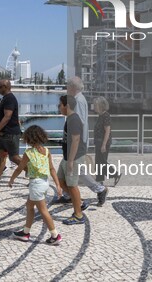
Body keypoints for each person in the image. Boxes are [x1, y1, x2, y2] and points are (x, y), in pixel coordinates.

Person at [9, 125, 63, 245]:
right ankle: (25, 232)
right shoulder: (47, 151)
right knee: (29, 205)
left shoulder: (28, 153)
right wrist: (58, 185)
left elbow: (19, 169)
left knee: (43, 210)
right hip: (44, 182)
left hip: (36, 184)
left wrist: (12, 179)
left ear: (28, 138)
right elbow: (52, 169)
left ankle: (55, 235)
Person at [65, 77, 108, 206]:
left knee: (77, 171)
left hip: (78, 143)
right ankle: (67, 194)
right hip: (77, 142)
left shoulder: (78, 101)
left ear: (73, 87)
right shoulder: (78, 99)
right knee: (68, 170)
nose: (66, 88)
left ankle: (100, 189)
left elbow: (79, 123)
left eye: (68, 86)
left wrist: (75, 142)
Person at [57, 95, 88, 224]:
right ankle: (78, 201)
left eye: (60, 105)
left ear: (67, 106)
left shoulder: (74, 120)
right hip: (67, 156)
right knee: (60, 180)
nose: (59, 107)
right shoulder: (69, 118)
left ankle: (78, 215)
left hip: (73, 158)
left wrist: (70, 161)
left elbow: (75, 140)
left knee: (72, 185)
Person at [93, 96, 120, 187]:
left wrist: (104, 145)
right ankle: (100, 180)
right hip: (98, 142)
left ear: (101, 106)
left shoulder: (106, 116)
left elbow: (107, 131)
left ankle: (115, 174)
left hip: (103, 143)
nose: (94, 107)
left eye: (96, 105)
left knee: (102, 162)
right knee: (99, 162)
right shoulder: (100, 115)